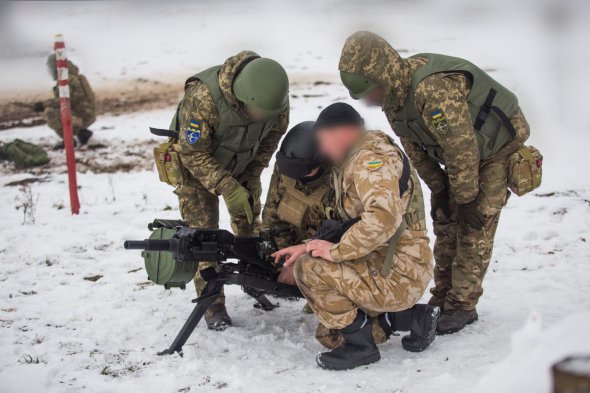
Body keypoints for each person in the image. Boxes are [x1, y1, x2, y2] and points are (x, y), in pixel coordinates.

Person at [338, 31, 531, 334]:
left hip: (496, 149)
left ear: (383, 75)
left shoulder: (432, 90)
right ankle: (442, 296)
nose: (371, 102)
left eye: (372, 93)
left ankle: (463, 305)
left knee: (474, 224)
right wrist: (440, 190)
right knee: (445, 221)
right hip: (462, 155)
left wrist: (466, 199)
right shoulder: (395, 99)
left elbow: (461, 146)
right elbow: (414, 147)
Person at [274, 103, 438, 370]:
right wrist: (306, 246)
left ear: (343, 132)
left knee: (311, 271)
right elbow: (350, 223)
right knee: (326, 329)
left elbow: (381, 219)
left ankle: (360, 347)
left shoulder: (371, 161)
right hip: (388, 262)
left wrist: (333, 253)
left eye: (324, 142)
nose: (323, 151)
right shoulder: (360, 156)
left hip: (398, 271)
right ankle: (410, 318)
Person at [167, 51, 289, 330]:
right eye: (258, 114)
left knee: (250, 226)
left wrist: (250, 177)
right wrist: (226, 187)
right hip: (196, 172)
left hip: (243, 165)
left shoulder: (276, 102)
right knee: (203, 238)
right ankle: (213, 302)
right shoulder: (203, 99)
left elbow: (270, 140)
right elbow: (192, 153)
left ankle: (254, 278)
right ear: (242, 100)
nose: (263, 118)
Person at [33, 54, 96, 149]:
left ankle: (68, 139)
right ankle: (82, 133)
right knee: (57, 109)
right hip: (86, 114)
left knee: (50, 112)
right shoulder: (71, 76)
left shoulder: (67, 79)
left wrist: (43, 105)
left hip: (82, 116)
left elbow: (65, 101)